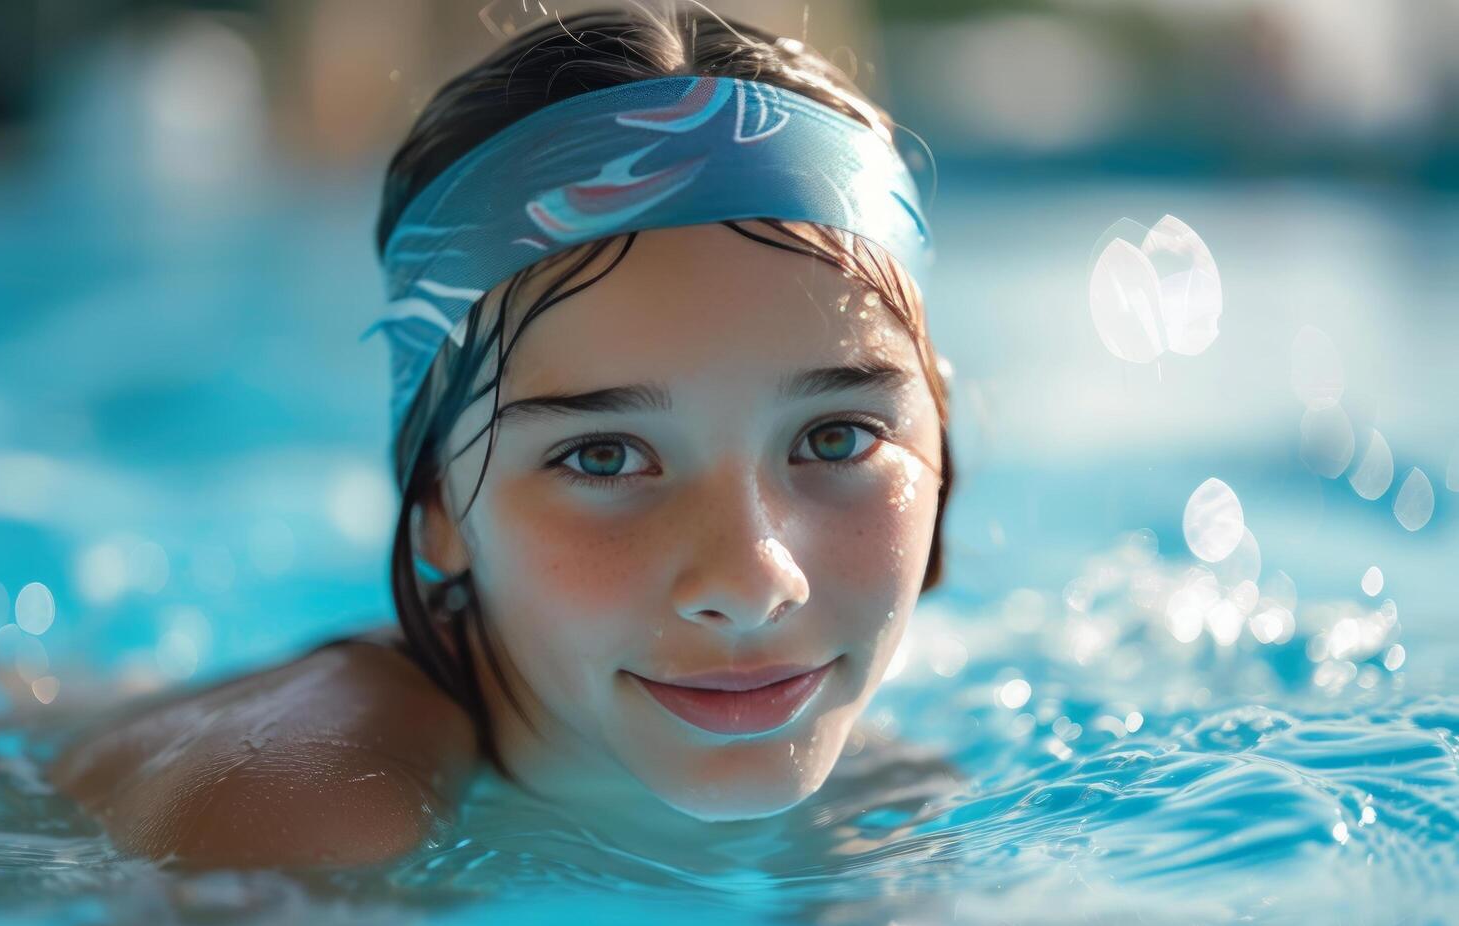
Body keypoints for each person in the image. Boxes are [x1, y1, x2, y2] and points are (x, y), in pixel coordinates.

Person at [48, 3, 956, 868]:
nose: (753, 585)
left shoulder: (890, 783)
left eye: (837, 438)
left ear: (941, 442)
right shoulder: (312, 813)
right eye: (603, 456)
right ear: (438, 500)